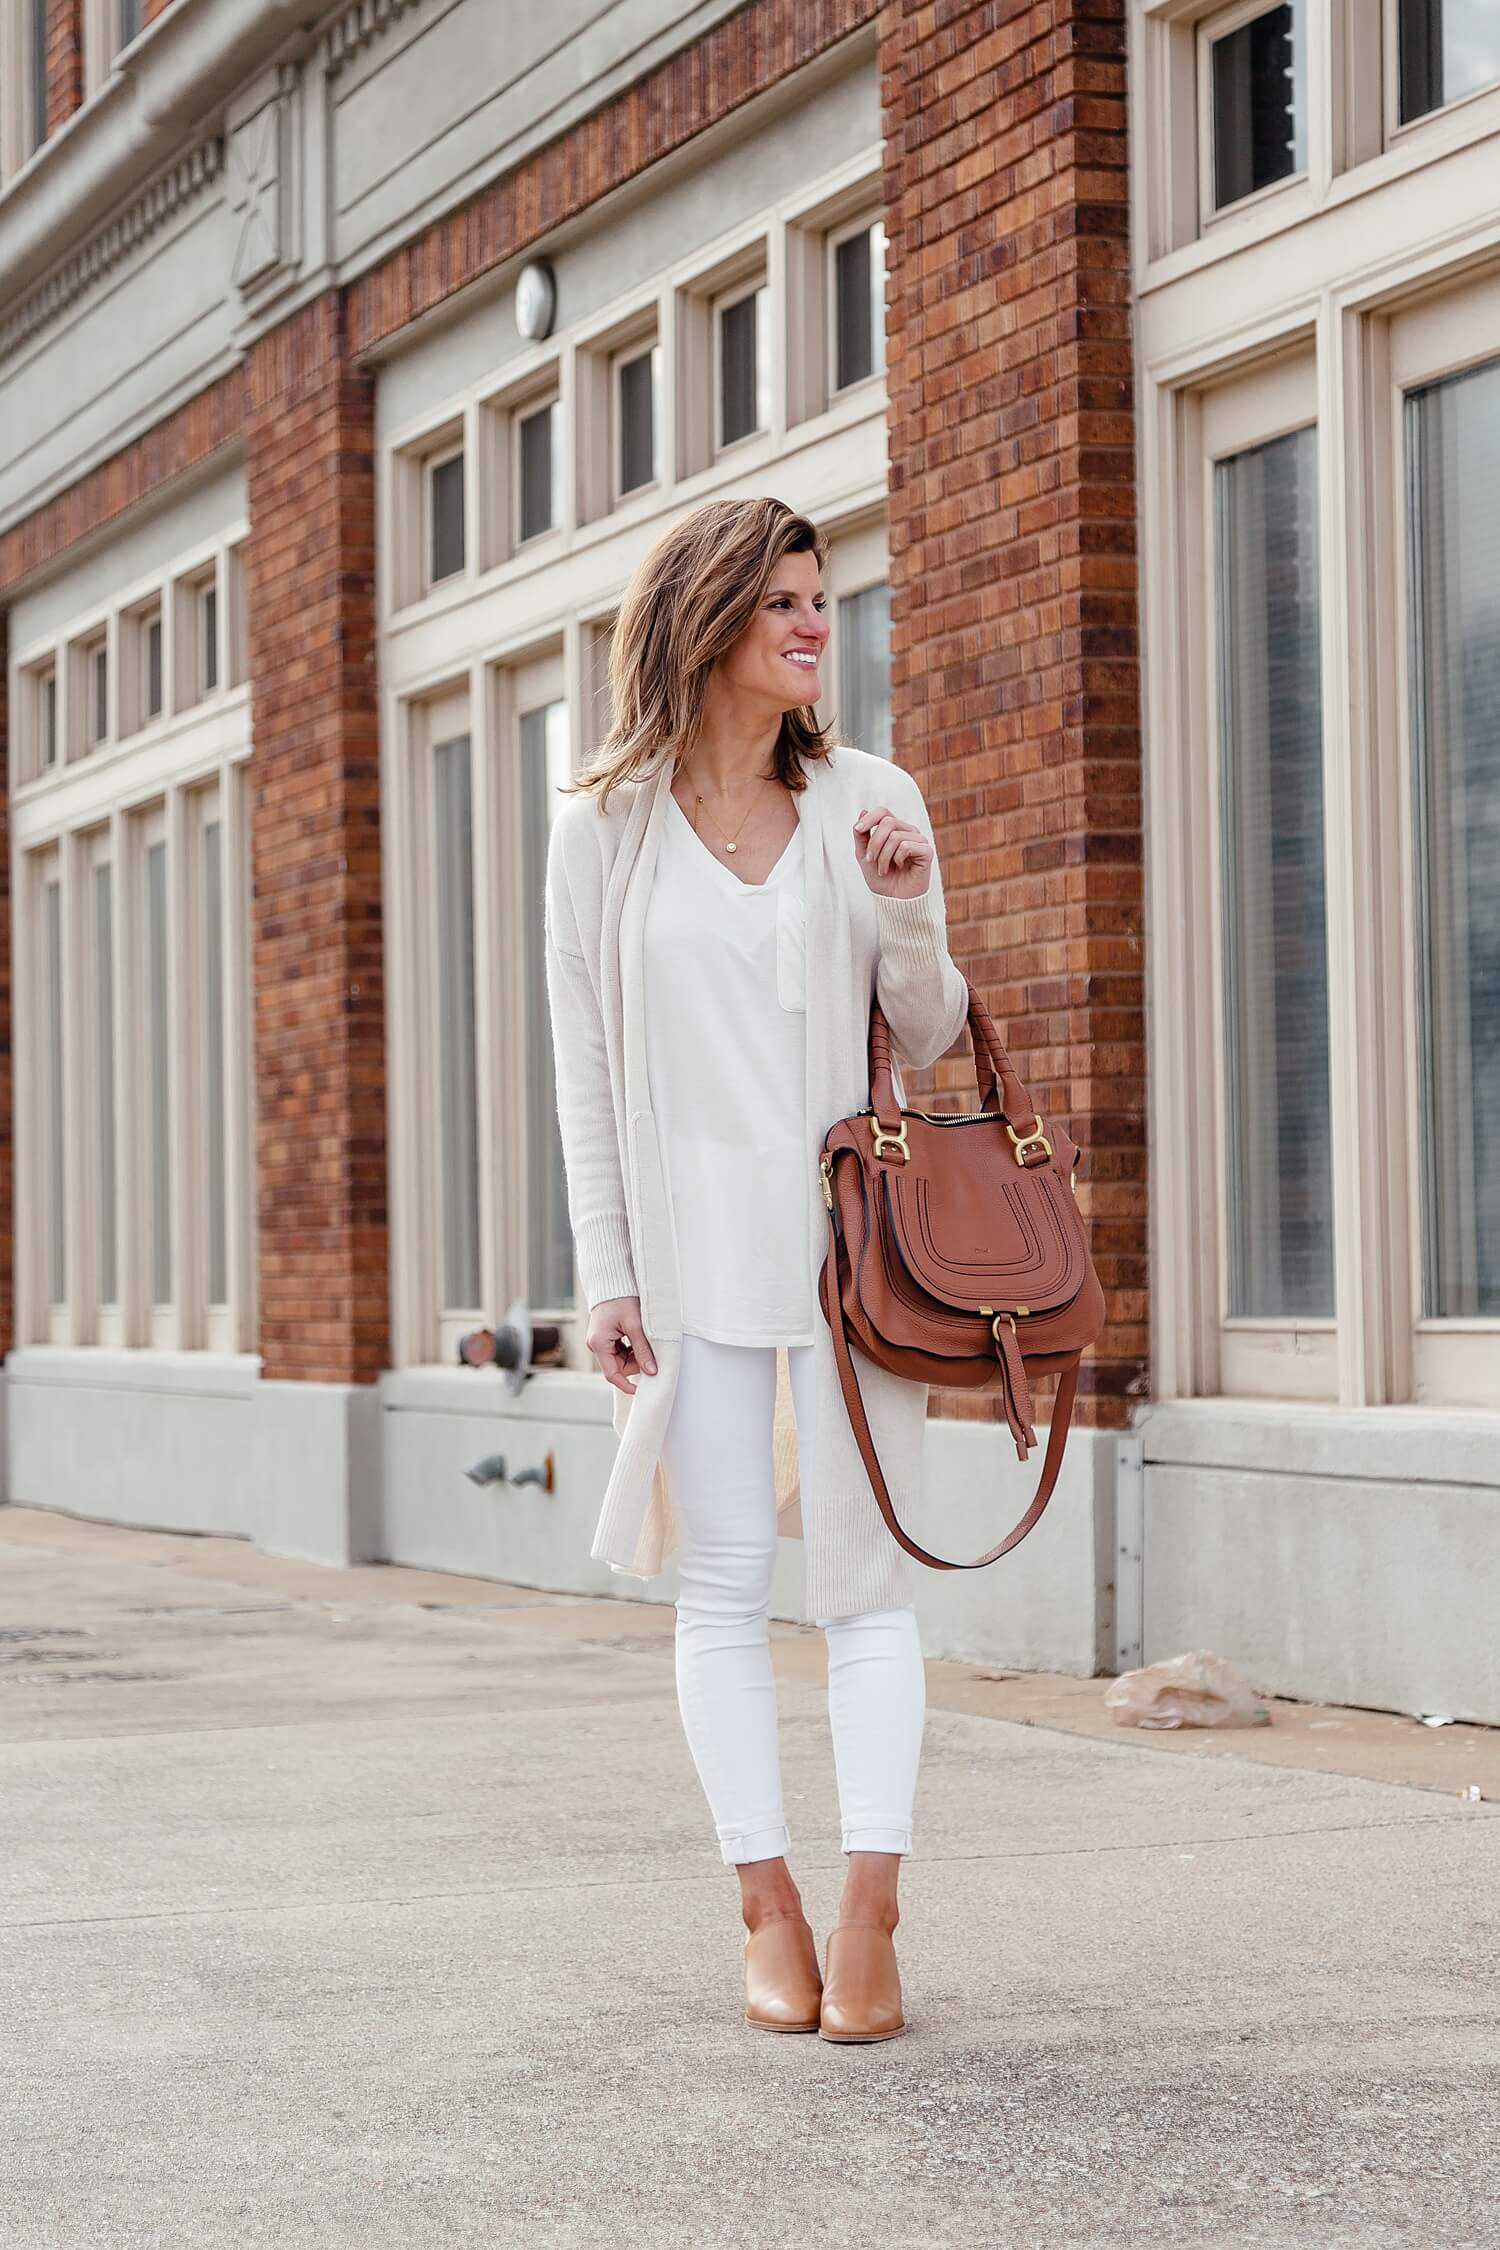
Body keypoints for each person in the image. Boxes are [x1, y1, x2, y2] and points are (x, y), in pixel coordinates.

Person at [543, 496, 970, 2041]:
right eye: (782, 599)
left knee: (865, 1590)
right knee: (721, 1589)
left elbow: (926, 1036)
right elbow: (582, 1070)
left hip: (849, 1260)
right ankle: (765, 1902)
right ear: (706, 618)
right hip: (687, 1262)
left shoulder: (868, 795)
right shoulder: (601, 826)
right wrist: (608, 1275)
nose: (812, 623)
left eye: (820, 597)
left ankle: (871, 1913)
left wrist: (909, 904)